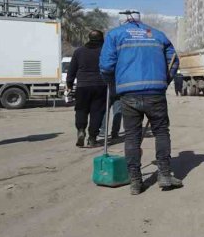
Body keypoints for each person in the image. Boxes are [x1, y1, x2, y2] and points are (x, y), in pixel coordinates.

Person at [99, 11, 180, 195]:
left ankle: (135, 181)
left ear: (122, 21)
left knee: (132, 137)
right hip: (155, 92)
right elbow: (174, 61)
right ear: (139, 19)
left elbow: (106, 66)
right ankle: (165, 175)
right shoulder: (158, 35)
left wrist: (112, 84)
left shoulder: (115, 35)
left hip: (128, 93)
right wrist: (164, 81)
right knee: (161, 132)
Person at [67, 30, 107, 148]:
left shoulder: (79, 51)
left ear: (89, 38)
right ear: (101, 39)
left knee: (81, 110)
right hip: (100, 85)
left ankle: (81, 130)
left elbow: (72, 69)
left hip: (82, 86)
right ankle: (92, 138)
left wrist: (69, 84)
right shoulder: (104, 51)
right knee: (97, 112)